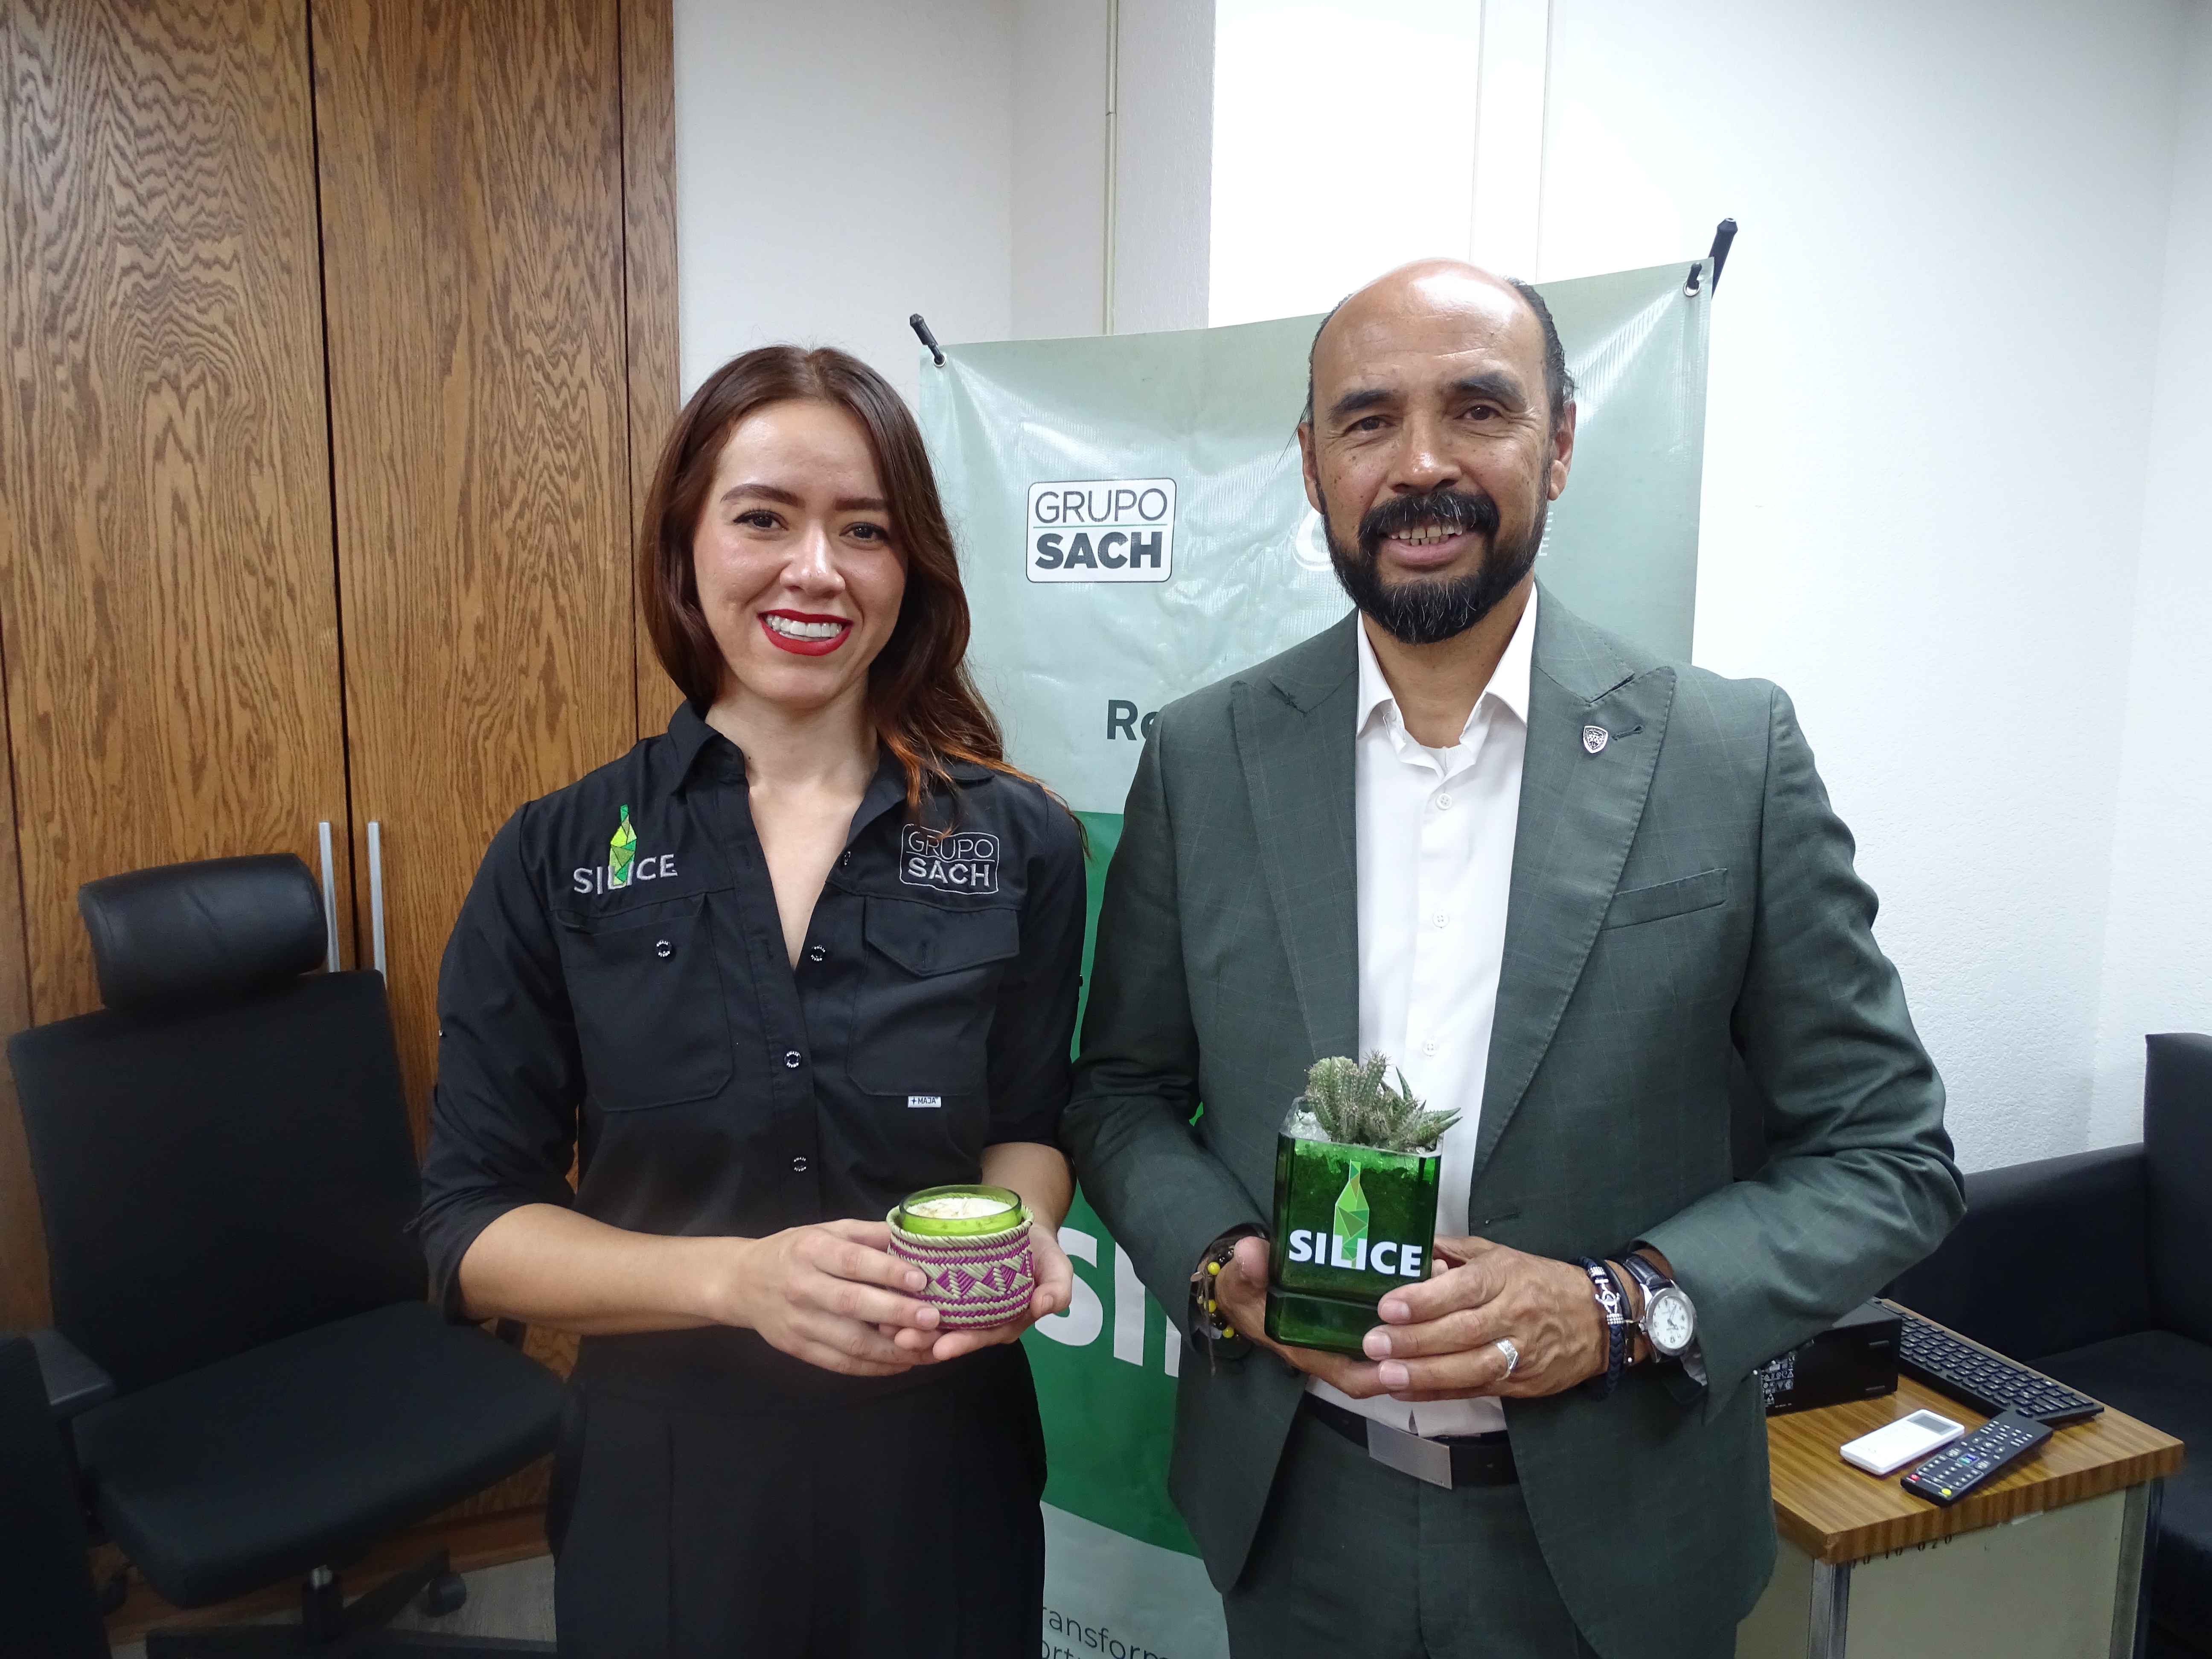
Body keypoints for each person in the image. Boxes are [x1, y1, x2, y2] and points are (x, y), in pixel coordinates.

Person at [1062, 260, 1964, 1659]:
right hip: (1298, 1524)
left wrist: (1621, 1307)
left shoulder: (1727, 757)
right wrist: (1224, 1264)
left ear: (1560, 443)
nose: (1421, 464)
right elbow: (1119, 1091)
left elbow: (1888, 1153)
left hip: (1618, 1543)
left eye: (1478, 410)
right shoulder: (1205, 756)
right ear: (1311, 465)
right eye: (1368, 421)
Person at [415, 345, 1086, 1659]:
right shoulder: (558, 854)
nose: (816, 570)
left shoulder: (1019, 842)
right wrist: (738, 1281)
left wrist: (1014, 1237)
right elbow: (471, 1226)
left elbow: (1028, 1126)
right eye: (765, 518)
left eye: (865, 530)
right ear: (687, 545)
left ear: (912, 568)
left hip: (942, 1464)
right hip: (668, 1481)